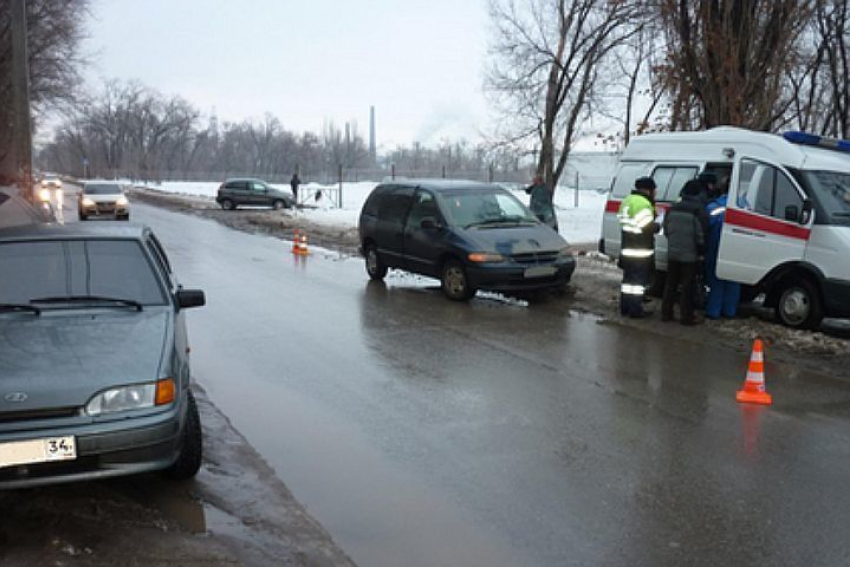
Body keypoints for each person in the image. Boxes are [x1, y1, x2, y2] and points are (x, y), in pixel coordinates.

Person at [661, 180, 706, 325]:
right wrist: (701, 252)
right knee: (687, 287)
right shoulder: (698, 210)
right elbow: (700, 235)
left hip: (673, 253)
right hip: (690, 256)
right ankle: (686, 317)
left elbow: (666, 229)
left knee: (670, 284)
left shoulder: (672, 208)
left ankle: (666, 313)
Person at [617, 176, 660, 318]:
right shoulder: (642, 203)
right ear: (649, 190)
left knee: (627, 281)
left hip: (627, 246)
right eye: (654, 189)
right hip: (639, 249)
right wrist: (658, 225)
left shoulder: (628, 200)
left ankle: (625, 307)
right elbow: (647, 226)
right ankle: (635, 310)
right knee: (637, 284)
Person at [704, 181, 741, 319]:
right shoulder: (744, 205)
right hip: (737, 248)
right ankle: (730, 310)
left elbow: (706, 226)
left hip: (716, 245)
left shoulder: (714, 206)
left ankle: (713, 311)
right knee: (733, 280)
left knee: (716, 280)